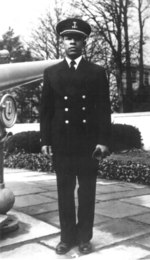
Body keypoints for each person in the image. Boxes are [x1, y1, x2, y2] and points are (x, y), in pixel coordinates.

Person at [40, 18, 111, 255]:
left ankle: (84, 238)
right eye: (68, 38)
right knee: (64, 192)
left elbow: (103, 109)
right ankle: (66, 237)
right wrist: (45, 140)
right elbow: (46, 111)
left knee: (87, 192)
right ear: (62, 42)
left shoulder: (97, 72)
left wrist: (103, 141)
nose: (72, 41)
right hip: (62, 143)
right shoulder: (51, 73)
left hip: (88, 143)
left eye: (77, 38)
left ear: (84, 42)